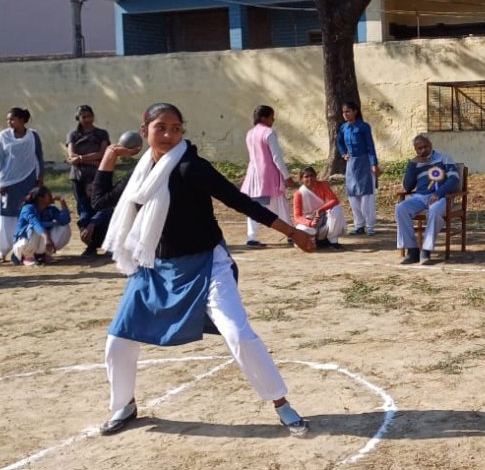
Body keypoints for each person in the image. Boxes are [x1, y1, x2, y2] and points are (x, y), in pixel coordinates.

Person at [93, 102, 315, 437]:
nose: (168, 135)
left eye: (176, 128)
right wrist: (109, 158)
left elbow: (238, 200)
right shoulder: (142, 173)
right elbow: (100, 202)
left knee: (238, 334)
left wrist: (292, 232)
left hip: (206, 265)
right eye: (160, 127)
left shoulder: (191, 167)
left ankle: (282, 404)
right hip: (154, 266)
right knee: (118, 341)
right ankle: (125, 405)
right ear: (144, 131)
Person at [396, 135, 460, 265]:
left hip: (442, 196)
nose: (423, 150)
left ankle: (426, 250)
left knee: (434, 211)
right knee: (400, 208)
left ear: (431, 145)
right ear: (415, 150)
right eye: (419, 148)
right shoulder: (415, 163)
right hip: (420, 197)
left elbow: (454, 179)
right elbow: (408, 186)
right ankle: (412, 251)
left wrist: (439, 192)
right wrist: (412, 165)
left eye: (426, 146)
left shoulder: (444, 158)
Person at [239, 105, 295, 248]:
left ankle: (252, 237)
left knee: (254, 207)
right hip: (268, 176)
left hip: (253, 175)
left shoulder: (250, 133)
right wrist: (287, 176)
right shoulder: (268, 133)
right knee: (280, 205)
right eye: (271, 116)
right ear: (264, 117)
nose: (273, 119)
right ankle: (291, 234)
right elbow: (277, 157)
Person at [0, 107, 44, 263]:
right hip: (8, 182)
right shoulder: (3, 136)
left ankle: (24, 249)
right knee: (6, 216)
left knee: (25, 213)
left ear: (22, 120)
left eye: (13, 119)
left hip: (28, 179)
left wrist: (40, 177)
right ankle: (3, 251)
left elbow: (39, 157)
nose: (9, 122)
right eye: (8, 119)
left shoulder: (33, 136)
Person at [66, 105, 110, 256]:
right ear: (78, 118)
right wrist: (92, 161)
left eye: (89, 116)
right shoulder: (73, 135)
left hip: (99, 176)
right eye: (83, 117)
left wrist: (82, 159)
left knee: (103, 207)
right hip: (79, 178)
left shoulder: (101, 134)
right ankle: (90, 244)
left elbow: (103, 153)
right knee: (84, 209)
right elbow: (71, 156)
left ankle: (107, 243)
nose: (87, 119)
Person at [337, 101, 380, 236]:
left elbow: (370, 146)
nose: (345, 114)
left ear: (355, 111)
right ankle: (359, 225)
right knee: (353, 194)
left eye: (348, 111)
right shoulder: (343, 128)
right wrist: (343, 153)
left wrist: (374, 164)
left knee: (366, 195)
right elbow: (338, 141)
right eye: (343, 112)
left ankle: (370, 226)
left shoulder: (363, 127)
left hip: (364, 162)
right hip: (351, 164)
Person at [11, 185, 72, 266]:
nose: (52, 197)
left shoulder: (51, 209)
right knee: (33, 228)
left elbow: (65, 220)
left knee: (64, 227)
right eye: (49, 195)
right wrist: (47, 238)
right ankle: (27, 256)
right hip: (23, 244)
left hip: (41, 242)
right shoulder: (28, 208)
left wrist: (62, 201)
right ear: (40, 198)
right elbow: (35, 223)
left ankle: (46, 254)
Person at [292, 166, 346, 250]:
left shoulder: (323, 185)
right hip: (308, 220)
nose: (310, 178)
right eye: (306, 176)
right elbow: (297, 216)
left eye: (312, 176)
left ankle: (333, 241)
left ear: (315, 176)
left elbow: (334, 200)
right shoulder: (298, 194)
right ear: (301, 179)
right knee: (302, 230)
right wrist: (310, 223)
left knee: (336, 209)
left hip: (322, 216)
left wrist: (320, 210)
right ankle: (313, 241)